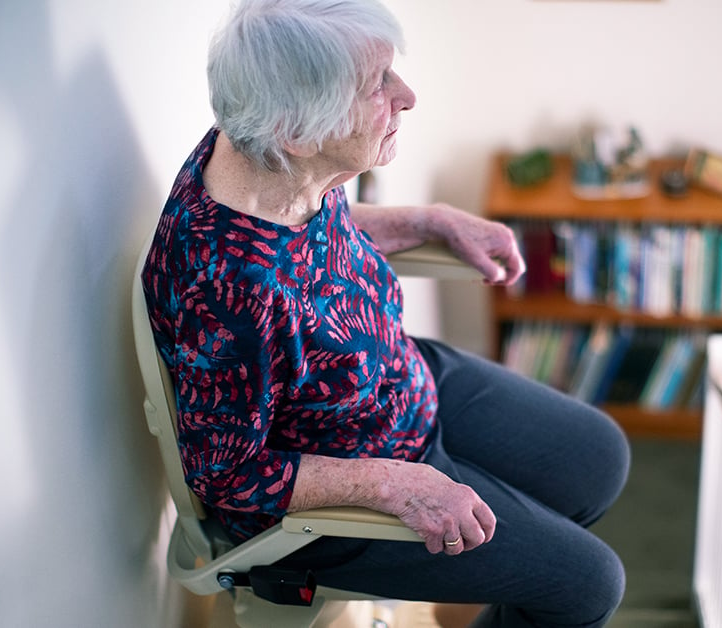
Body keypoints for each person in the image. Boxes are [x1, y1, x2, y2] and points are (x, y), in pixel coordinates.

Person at [142, 1, 631, 625]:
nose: (407, 95)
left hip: (397, 380)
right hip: (343, 490)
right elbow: (227, 473)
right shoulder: (232, 294)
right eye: (377, 84)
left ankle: (514, 566)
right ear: (299, 130)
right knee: (588, 585)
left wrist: (428, 221)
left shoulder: (264, 154)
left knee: (598, 459)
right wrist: (396, 485)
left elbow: (308, 242)